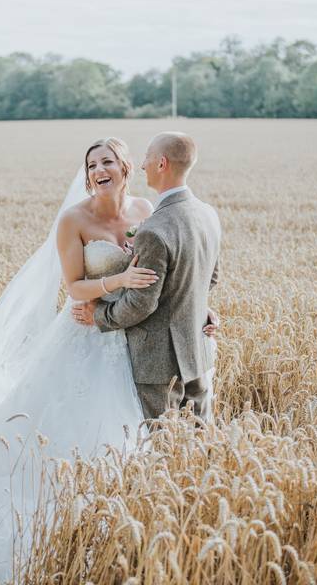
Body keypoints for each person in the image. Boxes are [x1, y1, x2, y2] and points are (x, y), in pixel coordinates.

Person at [0, 135, 219, 582]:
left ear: (129, 167)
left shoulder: (146, 214)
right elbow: (74, 286)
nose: (99, 169)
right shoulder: (72, 220)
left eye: (108, 161)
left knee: (133, 437)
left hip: (133, 338)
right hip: (88, 328)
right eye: (92, 163)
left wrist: (201, 309)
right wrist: (117, 284)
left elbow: (175, 272)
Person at [72, 131, 222, 421]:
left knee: (161, 447)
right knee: (200, 442)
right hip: (197, 351)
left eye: (148, 159)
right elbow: (208, 279)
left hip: (156, 362)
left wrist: (99, 316)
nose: (143, 166)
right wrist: (199, 309)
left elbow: (142, 303)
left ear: (162, 164)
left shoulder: (153, 229)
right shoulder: (208, 214)